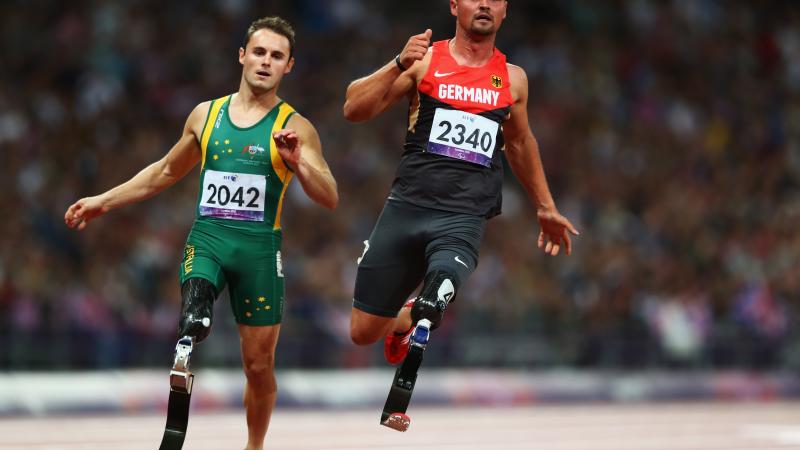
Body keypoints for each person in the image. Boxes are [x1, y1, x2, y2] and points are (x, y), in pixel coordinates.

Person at [64, 16, 338, 450]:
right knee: (195, 302)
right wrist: (103, 201)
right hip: (208, 237)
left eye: (277, 56)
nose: (266, 62)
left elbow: (329, 196)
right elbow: (165, 172)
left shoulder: (296, 127)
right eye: (260, 52)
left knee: (259, 366)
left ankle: (254, 446)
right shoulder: (205, 115)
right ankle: (191, 332)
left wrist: (299, 160)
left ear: (289, 66)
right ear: (242, 55)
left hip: (259, 251)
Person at [343, 0, 578, 366]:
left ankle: (430, 300)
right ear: (454, 6)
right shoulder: (423, 60)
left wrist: (545, 206)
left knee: (441, 285)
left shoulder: (513, 79)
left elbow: (518, 142)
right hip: (407, 207)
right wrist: (398, 63)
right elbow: (354, 110)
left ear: (505, 11)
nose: (484, 4)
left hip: (463, 215)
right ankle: (406, 318)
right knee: (362, 332)